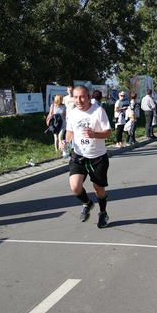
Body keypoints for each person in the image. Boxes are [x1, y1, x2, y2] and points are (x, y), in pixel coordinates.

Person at [65, 85, 112, 228]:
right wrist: (65, 141)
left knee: (99, 189)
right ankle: (87, 203)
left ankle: (103, 213)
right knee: (75, 187)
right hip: (79, 156)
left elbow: (108, 132)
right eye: (76, 97)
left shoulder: (98, 111)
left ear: (89, 97)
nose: (79, 100)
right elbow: (70, 132)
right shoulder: (72, 113)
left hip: (98, 157)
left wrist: (94, 134)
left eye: (82, 97)